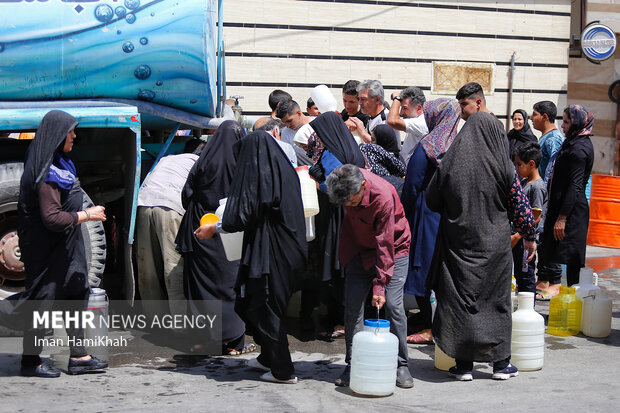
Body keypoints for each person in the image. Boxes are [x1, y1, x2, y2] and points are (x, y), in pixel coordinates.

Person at [426, 111, 537, 381]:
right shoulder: (503, 166)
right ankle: (500, 365)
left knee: (462, 303)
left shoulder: (450, 163)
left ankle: (464, 366)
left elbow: (431, 200)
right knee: (495, 303)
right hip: (495, 248)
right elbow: (521, 207)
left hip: (459, 247)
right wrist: (530, 235)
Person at [194, 130, 307, 384]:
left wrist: (214, 228)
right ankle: (268, 356)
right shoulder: (280, 172)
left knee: (266, 307)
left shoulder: (264, 179)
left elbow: (242, 213)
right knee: (252, 302)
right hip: (278, 251)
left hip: (274, 255)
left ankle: (283, 371)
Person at [10, 110, 108, 377]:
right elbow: (52, 218)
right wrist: (87, 215)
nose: (74, 136)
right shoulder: (46, 173)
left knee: (76, 294)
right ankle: (31, 360)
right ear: (57, 135)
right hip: (46, 249)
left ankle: (80, 357)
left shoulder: (61, 163)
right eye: (70, 131)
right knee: (43, 301)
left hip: (66, 245)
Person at [326, 164, 414, 389]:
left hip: (394, 247)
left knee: (393, 305)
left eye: (353, 203)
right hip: (359, 248)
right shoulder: (347, 180)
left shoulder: (382, 197)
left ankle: (400, 364)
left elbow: (385, 244)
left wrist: (379, 285)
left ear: (363, 187)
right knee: (353, 306)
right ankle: (353, 363)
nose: (349, 207)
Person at [175, 121, 252, 356]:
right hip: (227, 232)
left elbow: (186, 195)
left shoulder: (203, 161)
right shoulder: (242, 165)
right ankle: (233, 343)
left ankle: (200, 342)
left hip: (199, 230)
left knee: (199, 289)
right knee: (228, 285)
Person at [401, 98, 461, 345]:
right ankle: (437, 323)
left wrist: (402, 213)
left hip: (425, 214)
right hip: (450, 216)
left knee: (423, 267)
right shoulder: (458, 146)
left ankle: (428, 326)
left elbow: (412, 186)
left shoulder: (427, 146)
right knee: (442, 269)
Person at [306, 112, 366, 341]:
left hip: (336, 218)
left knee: (334, 268)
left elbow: (334, 187)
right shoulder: (351, 148)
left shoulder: (332, 153)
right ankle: (344, 318)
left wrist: (315, 180)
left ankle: (338, 320)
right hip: (350, 215)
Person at [136, 139, 202, 318]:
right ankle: (180, 322)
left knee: (147, 265)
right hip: (170, 207)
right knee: (173, 266)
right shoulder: (198, 162)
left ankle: (153, 316)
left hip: (143, 204)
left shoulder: (167, 159)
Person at [539, 105, 594, 288]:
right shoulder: (572, 142)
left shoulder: (579, 149)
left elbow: (575, 185)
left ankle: (575, 305)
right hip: (563, 207)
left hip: (571, 212)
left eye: (567, 122)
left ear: (578, 123)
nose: (563, 126)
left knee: (572, 261)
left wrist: (562, 218)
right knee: (555, 253)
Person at [530, 100, 564, 298]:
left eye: (534, 114)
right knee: (541, 239)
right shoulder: (544, 138)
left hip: (547, 198)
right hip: (540, 197)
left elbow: (552, 172)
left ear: (544, 116)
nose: (531, 118)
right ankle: (542, 280)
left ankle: (552, 281)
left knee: (548, 240)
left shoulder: (554, 140)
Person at [511, 142, 546, 295]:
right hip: (519, 238)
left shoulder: (536, 187)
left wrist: (518, 236)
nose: (517, 168)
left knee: (526, 277)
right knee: (518, 275)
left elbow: (535, 217)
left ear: (531, 164)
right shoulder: (525, 182)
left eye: (519, 164)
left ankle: (529, 310)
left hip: (525, 241)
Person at [387, 86, 429, 165]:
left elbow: (392, 121)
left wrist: (396, 99)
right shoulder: (415, 120)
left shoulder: (422, 122)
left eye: (404, 108)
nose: (401, 113)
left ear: (419, 108)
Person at [349, 79, 397, 144]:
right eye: (359, 99)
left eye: (363, 99)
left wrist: (362, 132)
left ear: (377, 99)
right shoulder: (372, 116)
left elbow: (381, 149)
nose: (359, 103)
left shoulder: (385, 119)